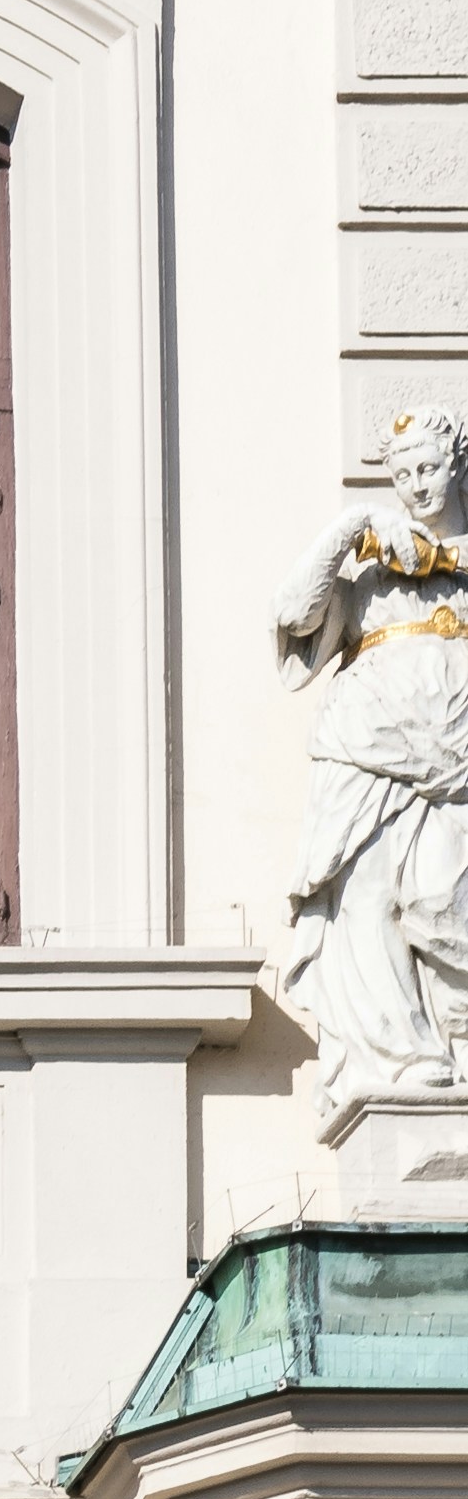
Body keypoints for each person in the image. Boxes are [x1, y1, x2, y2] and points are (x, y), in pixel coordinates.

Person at [277, 407, 468, 1108]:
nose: (417, 485)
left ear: (456, 463)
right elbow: (294, 612)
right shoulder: (368, 579)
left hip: (456, 767)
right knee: (366, 903)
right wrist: (350, 524)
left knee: (444, 900)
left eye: (429, 467)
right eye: (402, 474)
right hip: (366, 760)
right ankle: (401, 1054)